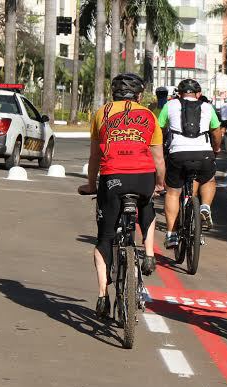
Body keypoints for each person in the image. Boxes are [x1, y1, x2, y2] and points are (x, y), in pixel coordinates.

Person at [78, 73, 166, 318]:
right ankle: (148, 255)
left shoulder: (101, 114)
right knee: (147, 205)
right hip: (143, 177)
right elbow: (158, 158)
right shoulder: (149, 116)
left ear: (113, 94)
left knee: (104, 237)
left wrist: (90, 184)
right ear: (139, 96)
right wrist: (160, 183)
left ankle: (102, 297)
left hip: (112, 179)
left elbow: (95, 157)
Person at [158, 78, 222, 249]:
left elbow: (160, 128)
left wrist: (163, 144)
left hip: (178, 153)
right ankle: (205, 207)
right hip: (204, 154)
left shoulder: (169, 105)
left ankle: (171, 234)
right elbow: (216, 131)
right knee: (208, 179)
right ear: (199, 94)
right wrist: (216, 149)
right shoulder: (208, 107)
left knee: (172, 192)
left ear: (179, 93)